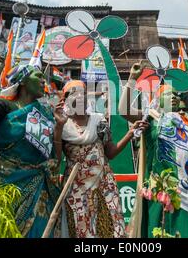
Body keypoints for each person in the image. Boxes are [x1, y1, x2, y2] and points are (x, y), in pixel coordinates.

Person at [119, 62, 188, 238]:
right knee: (163, 229)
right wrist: (133, 78)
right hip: (163, 189)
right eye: (167, 94)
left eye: (175, 95)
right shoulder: (152, 118)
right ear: (157, 100)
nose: (173, 97)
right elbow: (123, 110)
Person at [0, 46, 66, 238]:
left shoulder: (47, 113)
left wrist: (59, 127)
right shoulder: (5, 106)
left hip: (38, 185)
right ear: (22, 81)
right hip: (4, 184)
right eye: (38, 77)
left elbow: (55, 157)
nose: (43, 82)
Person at [54, 80, 148, 238]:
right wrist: (58, 128)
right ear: (66, 101)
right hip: (76, 189)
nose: (79, 98)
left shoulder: (99, 121)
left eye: (83, 94)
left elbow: (110, 153)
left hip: (104, 186)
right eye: (74, 94)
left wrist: (130, 133)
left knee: (110, 227)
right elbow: (56, 161)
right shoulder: (62, 126)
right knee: (79, 229)